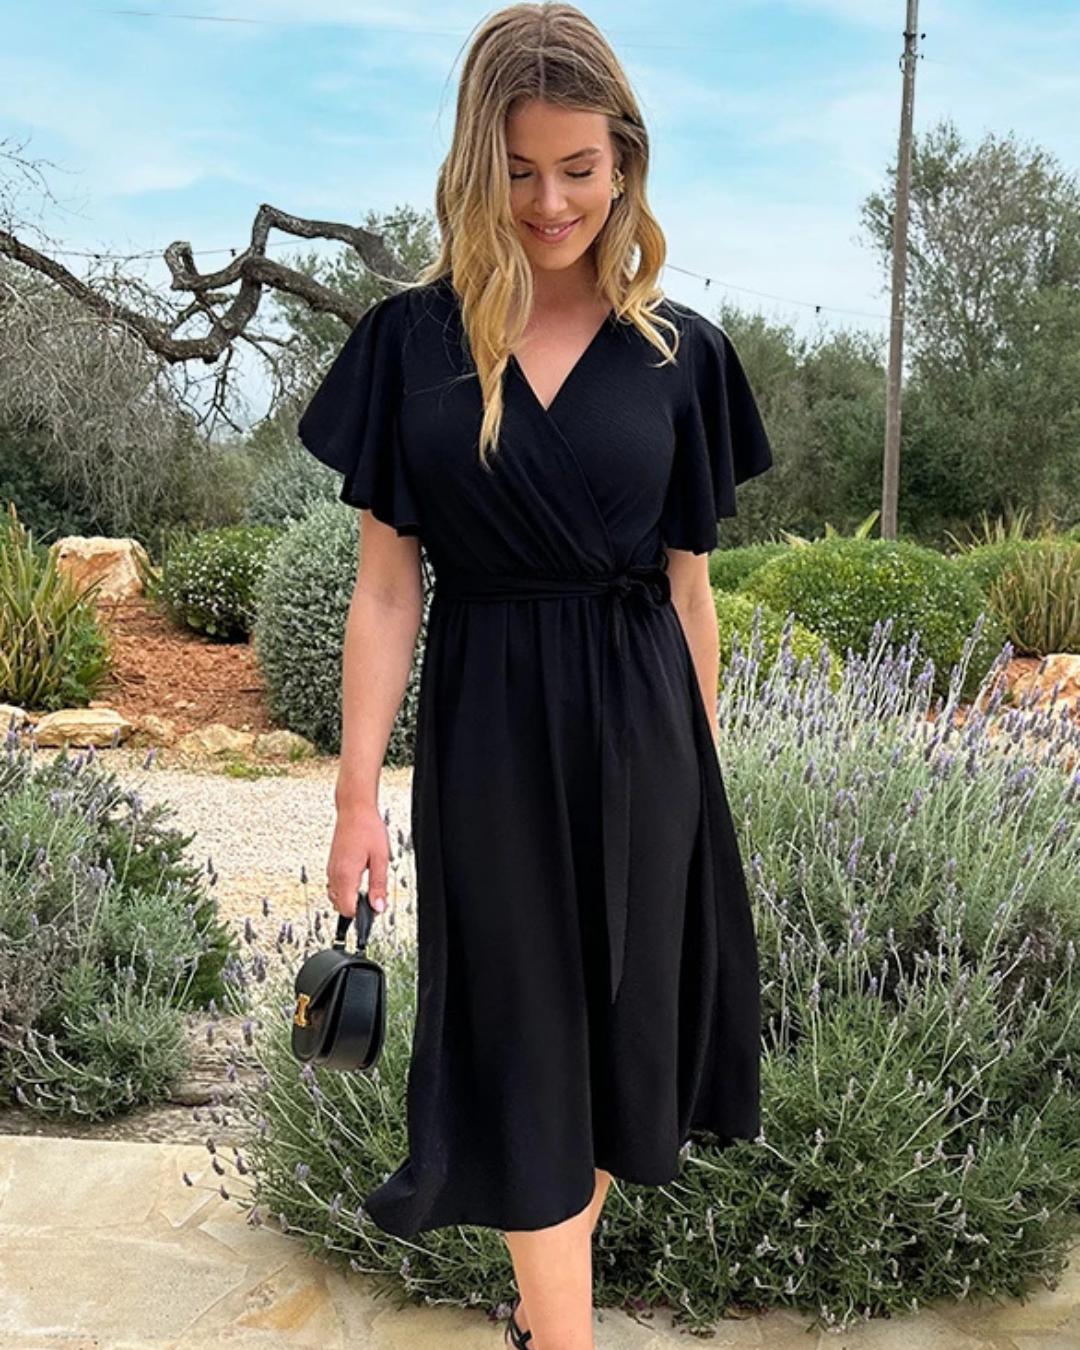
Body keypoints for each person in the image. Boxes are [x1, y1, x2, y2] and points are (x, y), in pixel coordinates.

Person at [297, 5, 775, 1347]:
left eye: (578, 168)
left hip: (648, 736)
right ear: (474, 167)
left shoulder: (681, 354)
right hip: (491, 728)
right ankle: (565, 1336)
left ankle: (533, 1317)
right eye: (517, 170)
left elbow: (689, 591)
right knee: (523, 1035)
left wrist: (698, 784)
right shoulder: (412, 344)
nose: (550, 201)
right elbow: (387, 588)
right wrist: (353, 797)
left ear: (624, 161)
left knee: (620, 1051)